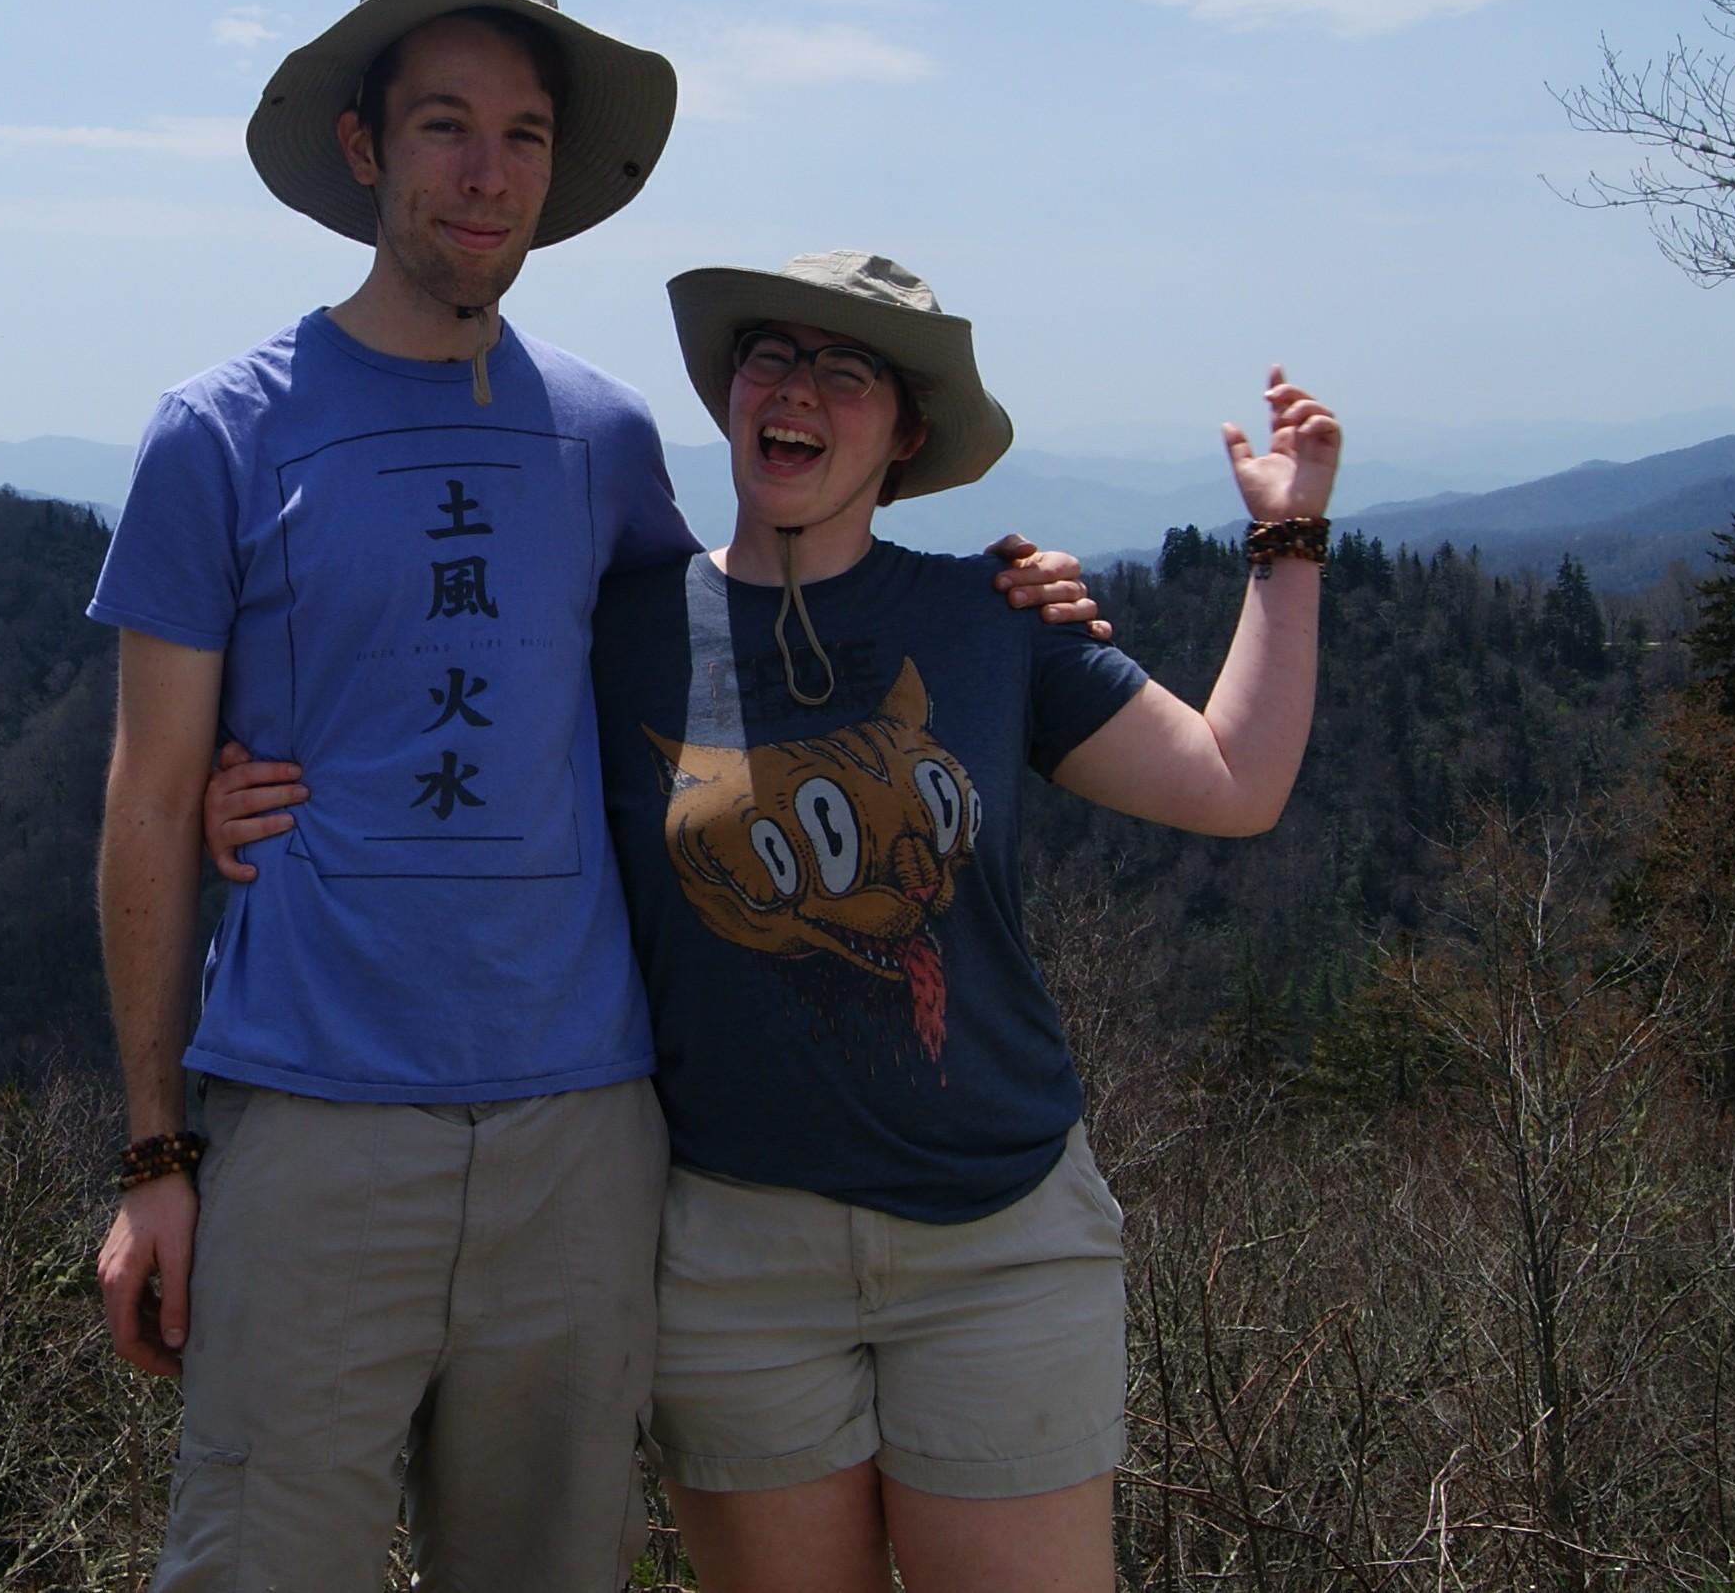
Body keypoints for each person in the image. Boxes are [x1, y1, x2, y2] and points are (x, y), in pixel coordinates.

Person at [86, 0, 1100, 1593]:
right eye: (442, 125)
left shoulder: (603, 434)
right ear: (362, 145)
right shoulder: (219, 432)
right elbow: (142, 797)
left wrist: (1006, 607)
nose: (485, 174)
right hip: (312, 1114)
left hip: (586, 1130)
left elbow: (722, 651)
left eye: (523, 135)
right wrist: (152, 1154)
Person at [204, 250, 1340, 1593]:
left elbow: (1233, 780)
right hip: (729, 1250)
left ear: (904, 434)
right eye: (772, 358)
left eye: (847, 371)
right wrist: (244, 784)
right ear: (732, 396)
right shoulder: (615, 627)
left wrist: (1285, 541)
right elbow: (427, 708)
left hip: (1000, 1239)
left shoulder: (985, 618)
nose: (799, 389)